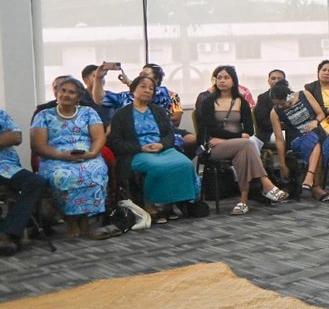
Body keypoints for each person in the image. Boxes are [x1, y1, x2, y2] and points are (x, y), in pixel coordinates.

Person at [196, 65, 289, 215]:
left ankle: (243, 203)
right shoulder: (208, 102)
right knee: (246, 143)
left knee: (244, 151)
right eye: (219, 78)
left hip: (236, 146)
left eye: (226, 77)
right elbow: (212, 129)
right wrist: (237, 137)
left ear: (233, 80)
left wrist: (228, 139)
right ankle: (265, 184)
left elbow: (249, 130)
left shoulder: (241, 102)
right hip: (214, 147)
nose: (222, 81)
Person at [107, 75, 200, 222]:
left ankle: (173, 204)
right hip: (137, 152)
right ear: (133, 90)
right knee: (157, 167)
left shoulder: (159, 111)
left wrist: (162, 144)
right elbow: (115, 141)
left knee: (185, 163)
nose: (148, 90)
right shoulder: (121, 114)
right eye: (143, 86)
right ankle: (151, 205)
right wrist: (141, 147)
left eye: (151, 88)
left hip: (161, 149)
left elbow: (170, 133)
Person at [30, 78, 107, 237]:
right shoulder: (44, 115)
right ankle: (70, 221)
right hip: (55, 158)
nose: (65, 95)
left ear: (79, 97)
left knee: (96, 170)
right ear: (57, 93)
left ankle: (85, 219)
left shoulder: (88, 113)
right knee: (63, 176)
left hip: (87, 155)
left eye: (71, 92)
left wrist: (92, 154)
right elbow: (38, 146)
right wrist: (60, 155)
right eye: (62, 91)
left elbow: (99, 137)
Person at [270, 82, 329, 202]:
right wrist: (282, 164)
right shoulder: (275, 112)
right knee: (316, 139)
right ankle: (314, 184)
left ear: (288, 97)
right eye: (277, 104)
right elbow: (279, 139)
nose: (280, 107)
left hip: (316, 130)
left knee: (316, 136)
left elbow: (321, 114)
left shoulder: (304, 95)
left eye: (281, 103)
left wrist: (315, 121)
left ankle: (311, 178)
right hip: (298, 138)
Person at [0, 108, 50, 256]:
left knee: (36, 181)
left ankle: (8, 232)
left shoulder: (1, 114)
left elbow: (16, 137)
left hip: (5, 166)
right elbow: (7, 137)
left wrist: (8, 137)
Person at [254, 68, 287, 140]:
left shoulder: (292, 96)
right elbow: (263, 121)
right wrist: (284, 126)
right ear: (268, 81)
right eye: (273, 78)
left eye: (279, 78)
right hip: (270, 133)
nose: (276, 81)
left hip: (291, 130)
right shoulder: (263, 98)